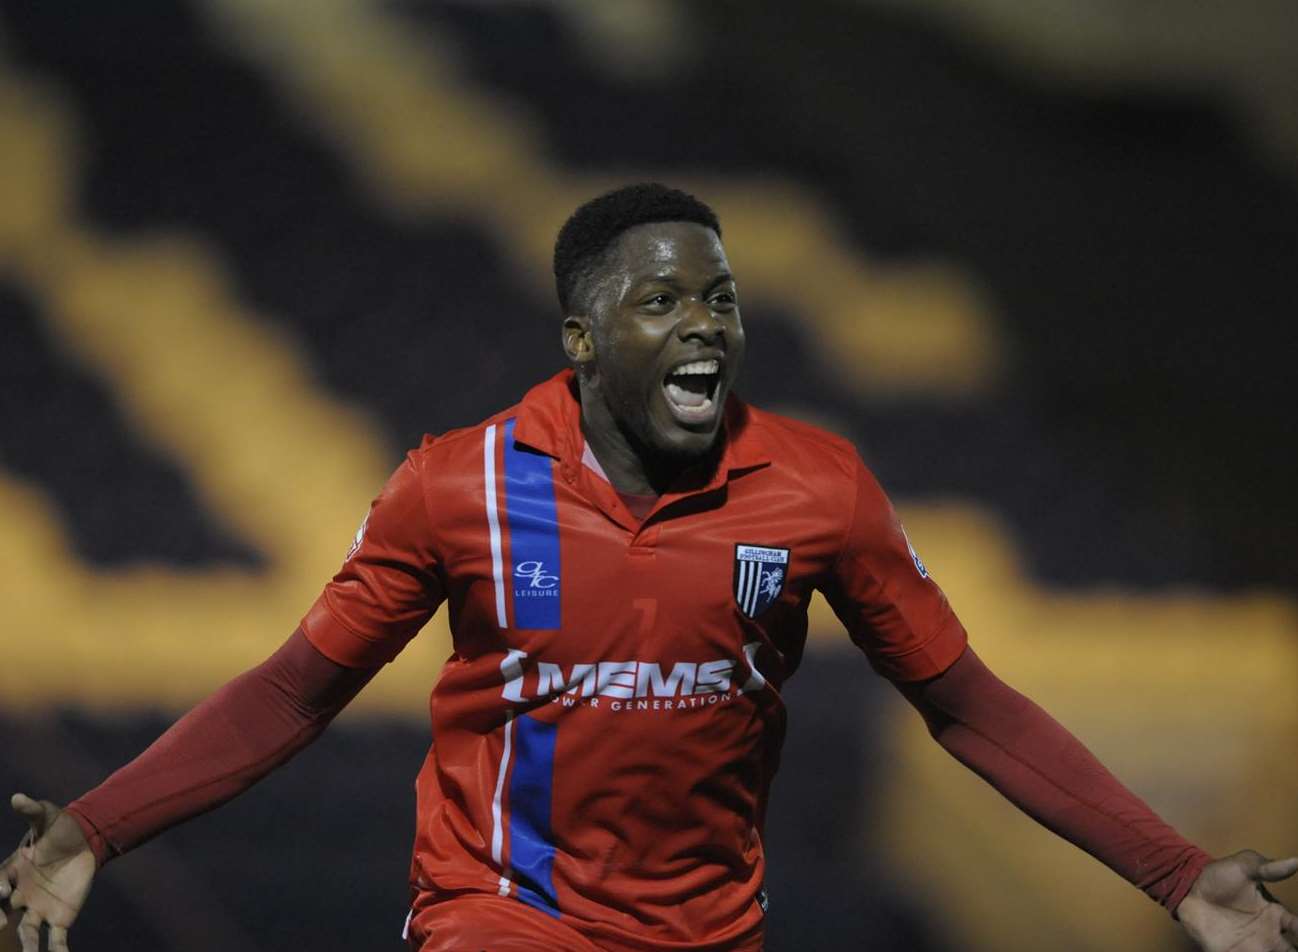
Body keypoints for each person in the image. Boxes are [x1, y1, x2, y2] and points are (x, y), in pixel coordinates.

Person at [1, 184, 1294, 952]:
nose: (704, 328)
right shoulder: (459, 484)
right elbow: (293, 694)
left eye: (720, 299)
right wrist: (97, 830)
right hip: (497, 917)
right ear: (580, 336)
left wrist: (1174, 873)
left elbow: (964, 705)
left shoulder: (816, 487)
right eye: (662, 301)